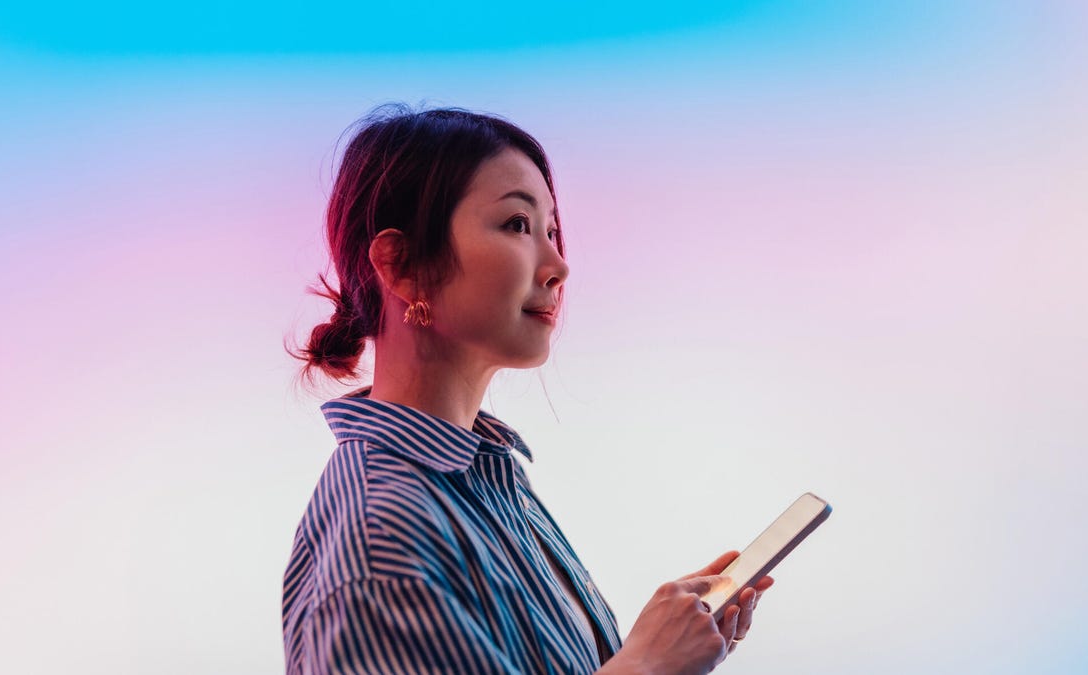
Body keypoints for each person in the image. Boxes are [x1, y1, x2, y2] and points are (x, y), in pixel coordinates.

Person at [282, 104, 773, 674]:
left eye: (553, 231)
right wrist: (645, 667)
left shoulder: (486, 478)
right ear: (402, 265)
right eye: (517, 224)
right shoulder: (381, 540)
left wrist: (656, 647)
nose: (559, 265)